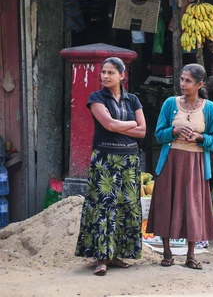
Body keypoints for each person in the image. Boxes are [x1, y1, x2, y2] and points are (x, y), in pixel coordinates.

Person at [147, 64, 213, 270]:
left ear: (200, 84)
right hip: (171, 161)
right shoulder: (170, 104)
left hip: (196, 164)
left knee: (192, 207)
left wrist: (200, 138)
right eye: (181, 79)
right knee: (166, 204)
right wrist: (174, 130)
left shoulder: (209, 108)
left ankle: (191, 255)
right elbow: (158, 134)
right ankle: (167, 252)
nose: (182, 84)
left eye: (188, 80)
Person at [75, 57, 146, 276]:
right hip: (105, 159)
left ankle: (117, 255)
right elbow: (108, 124)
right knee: (103, 207)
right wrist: (131, 124)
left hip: (129, 160)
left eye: (110, 73)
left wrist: (122, 127)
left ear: (122, 76)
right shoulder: (96, 97)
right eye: (103, 72)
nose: (104, 76)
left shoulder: (132, 99)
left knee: (126, 207)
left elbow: (143, 131)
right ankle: (101, 258)